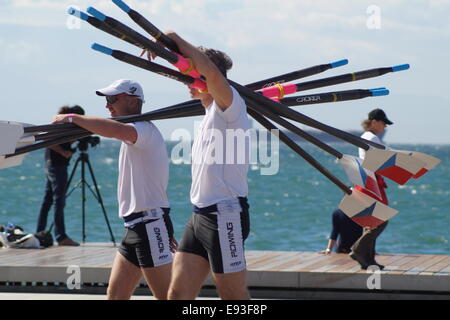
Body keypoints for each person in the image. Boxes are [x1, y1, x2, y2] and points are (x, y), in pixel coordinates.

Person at [52, 79, 176, 300]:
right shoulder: (134, 132)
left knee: (167, 297)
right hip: (134, 227)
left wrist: (73, 118)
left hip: (150, 226)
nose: (107, 105)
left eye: (112, 99)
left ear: (131, 101)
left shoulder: (143, 130)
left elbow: (113, 130)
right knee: (116, 295)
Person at [158, 32, 252, 300]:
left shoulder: (230, 105)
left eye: (190, 73)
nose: (186, 80)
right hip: (200, 215)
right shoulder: (209, 112)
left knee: (233, 297)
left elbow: (210, 71)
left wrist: (172, 38)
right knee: (177, 295)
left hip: (225, 214)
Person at [349, 108, 393, 270]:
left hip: (365, 180)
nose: (385, 127)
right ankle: (358, 250)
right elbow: (383, 157)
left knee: (371, 222)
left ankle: (368, 260)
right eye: (383, 123)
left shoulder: (367, 137)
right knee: (381, 220)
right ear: (374, 122)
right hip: (371, 182)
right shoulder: (372, 137)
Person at [36, 105, 85, 246]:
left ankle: (40, 233)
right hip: (57, 165)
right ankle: (61, 236)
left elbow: (61, 141)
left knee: (48, 200)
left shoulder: (63, 123)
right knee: (59, 201)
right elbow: (46, 139)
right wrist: (63, 152)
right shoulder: (60, 123)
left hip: (53, 164)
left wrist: (73, 141)